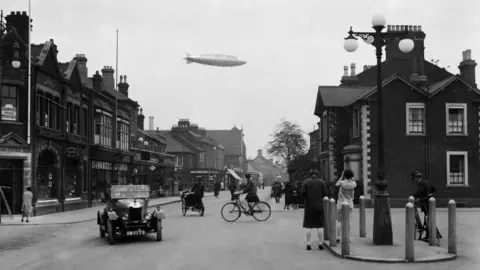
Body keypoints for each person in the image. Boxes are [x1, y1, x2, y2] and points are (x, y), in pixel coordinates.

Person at [300, 170, 328, 250]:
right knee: (320, 225)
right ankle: (320, 244)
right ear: (317, 175)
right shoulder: (322, 182)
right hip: (319, 206)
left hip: (309, 207)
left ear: (310, 175)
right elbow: (325, 193)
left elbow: (302, 193)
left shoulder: (306, 182)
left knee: (309, 226)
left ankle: (308, 244)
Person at [411, 171, 437, 241]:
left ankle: (432, 235)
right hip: (428, 202)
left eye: (413, 179)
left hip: (428, 203)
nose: (414, 181)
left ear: (416, 178)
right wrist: (414, 197)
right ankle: (431, 235)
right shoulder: (424, 182)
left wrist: (415, 199)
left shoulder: (421, 183)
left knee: (428, 219)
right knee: (428, 218)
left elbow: (419, 192)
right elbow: (420, 192)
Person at [335, 169, 357, 243]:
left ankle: (338, 237)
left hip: (341, 203)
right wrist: (351, 177)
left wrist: (341, 176)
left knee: (339, 221)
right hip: (349, 204)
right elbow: (353, 180)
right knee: (349, 221)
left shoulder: (342, 183)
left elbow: (336, 184)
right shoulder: (354, 184)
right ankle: (348, 237)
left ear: (345, 176)